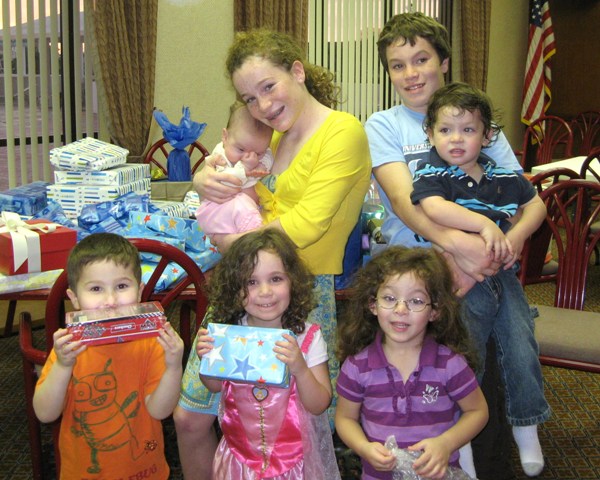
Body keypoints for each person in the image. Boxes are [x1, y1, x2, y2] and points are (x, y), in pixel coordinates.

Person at [174, 29, 371, 480]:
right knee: (191, 418)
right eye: (249, 98)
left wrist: (231, 246)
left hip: (298, 296)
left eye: (268, 87)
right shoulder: (273, 136)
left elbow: (305, 225)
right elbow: (232, 175)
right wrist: (203, 178)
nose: (262, 105)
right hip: (242, 288)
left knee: (286, 436)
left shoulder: (342, 132)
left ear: (297, 71)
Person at [364, 12, 547, 478]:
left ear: (443, 62)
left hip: (487, 260)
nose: (411, 74)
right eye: (398, 65)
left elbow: (516, 197)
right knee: (469, 336)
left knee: (512, 330)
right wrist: (457, 250)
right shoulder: (384, 125)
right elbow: (406, 201)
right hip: (415, 262)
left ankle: (498, 436)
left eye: (421, 59)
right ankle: (459, 438)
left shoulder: (475, 118)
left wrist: (501, 245)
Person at [409, 81, 550, 477]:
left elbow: (536, 206)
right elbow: (434, 208)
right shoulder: (432, 171)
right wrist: (485, 224)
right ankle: (460, 439)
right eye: (445, 130)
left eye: (468, 130)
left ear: (487, 136)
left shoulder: (502, 175)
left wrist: (516, 235)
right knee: (467, 354)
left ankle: (526, 424)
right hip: (458, 275)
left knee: (520, 342)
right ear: (430, 134)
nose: (456, 139)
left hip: (503, 276)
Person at [33, 232, 184, 479]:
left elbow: (160, 411)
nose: (111, 300)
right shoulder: (69, 349)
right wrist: (62, 366)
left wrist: (174, 367)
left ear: (140, 292)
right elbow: (45, 413)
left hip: (144, 470)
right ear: (74, 298)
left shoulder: (152, 342)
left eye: (122, 286)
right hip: (83, 473)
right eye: (96, 289)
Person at [196, 228, 340, 479]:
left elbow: (319, 405)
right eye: (251, 282)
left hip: (293, 464)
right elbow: (215, 386)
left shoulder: (307, 338)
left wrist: (300, 369)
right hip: (239, 460)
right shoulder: (231, 333)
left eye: (276, 279)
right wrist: (207, 359)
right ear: (235, 287)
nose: (265, 292)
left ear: (293, 281)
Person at [335, 246, 489, 480]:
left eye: (416, 301)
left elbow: (477, 411)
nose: (401, 310)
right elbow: (345, 418)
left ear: (434, 311)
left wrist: (446, 443)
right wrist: (363, 447)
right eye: (389, 298)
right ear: (373, 305)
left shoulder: (449, 364)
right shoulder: (357, 367)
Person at [196, 101, 274, 237]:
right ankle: (253, 231)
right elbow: (226, 181)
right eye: (241, 149)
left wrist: (263, 165)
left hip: (247, 212)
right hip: (219, 213)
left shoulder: (259, 150)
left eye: (258, 153)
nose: (247, 156)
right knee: (240, 204)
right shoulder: (219, 156)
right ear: (225, 137)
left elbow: (269, 155)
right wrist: (245, 168)